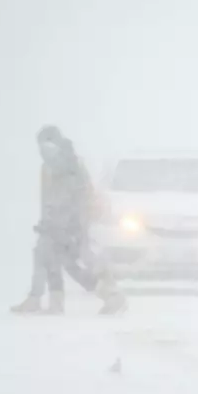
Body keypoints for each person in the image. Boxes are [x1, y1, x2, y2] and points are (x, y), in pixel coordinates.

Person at [11, 125, 127, 316]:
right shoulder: (46, 168)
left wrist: (76, 225)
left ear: (58, 144)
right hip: (52, 224)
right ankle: (43, 300)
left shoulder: (72, 165)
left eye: (49, 147)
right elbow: (46, 198)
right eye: (42, 147)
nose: (45, 152)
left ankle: (111, 296)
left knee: (76, 264)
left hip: (72, 224)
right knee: (45, 256)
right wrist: (45, 222)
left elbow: (83, 195)